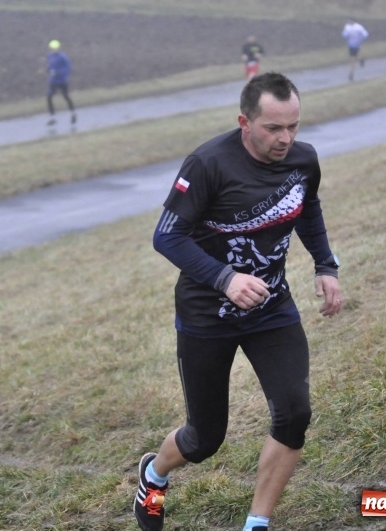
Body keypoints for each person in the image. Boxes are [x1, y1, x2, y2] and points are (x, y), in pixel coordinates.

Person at [132, 72, 342, 531]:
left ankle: (256, 523)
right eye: (273, 128)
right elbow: (167, 236)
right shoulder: (208, 164)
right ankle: (154, 474)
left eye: (293, 126)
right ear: (244, 122)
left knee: (295, 413)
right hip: (207, 317)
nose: (285, 139)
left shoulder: (303, 160)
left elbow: (306, 206)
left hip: (272, 310)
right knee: (204, 438)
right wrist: (225, 279)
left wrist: (326, 265)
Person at [45, 39, 76, 126]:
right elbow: (50, 65)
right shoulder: (50, 56)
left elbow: (68, 67)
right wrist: (49, 69)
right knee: (49, 97)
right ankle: (52, 118)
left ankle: (73, 114)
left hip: (62, 80)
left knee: (66, 96)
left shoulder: (63, 56)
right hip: (53, 81)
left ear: (58, 48)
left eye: (55, 48)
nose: (54, 50)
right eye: (52, 48)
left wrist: (60, 73)